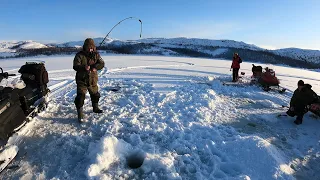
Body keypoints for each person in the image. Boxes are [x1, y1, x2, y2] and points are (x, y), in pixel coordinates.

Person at [73, 38, 105, 122]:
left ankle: (95, 108)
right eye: (89, 47)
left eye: (92, 47)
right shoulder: (79, 55)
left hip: (93, 80)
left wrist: (95, 67)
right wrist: (84, 67)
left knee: (95, 95)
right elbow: (75, 66)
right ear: (85, 47)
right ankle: (80, 114)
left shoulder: (96, 55)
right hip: (82, 80)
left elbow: (102, 64)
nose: (90, 48)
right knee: (80, 97)